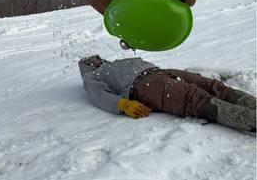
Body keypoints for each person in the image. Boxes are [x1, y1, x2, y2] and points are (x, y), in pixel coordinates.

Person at [78, 55, 256, 132]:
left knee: (215, 87)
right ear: (87, 67)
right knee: (195, 99)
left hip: (160, 72)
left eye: (95, 58)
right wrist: (123, 105)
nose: (95, 61)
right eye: (90, 61)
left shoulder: (113, 63)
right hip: (144, 86)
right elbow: (98, 95)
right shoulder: (92, 77)